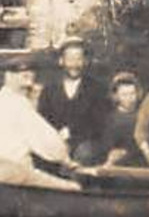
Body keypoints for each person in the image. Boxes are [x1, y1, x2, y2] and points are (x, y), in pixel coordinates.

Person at [0, 54, 80, 190]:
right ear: (8, 77)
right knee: (74, 188)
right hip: (11, 173)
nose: (30, 87)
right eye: (26, 81)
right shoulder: (19, 104)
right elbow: (49, 144)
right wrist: (67, 160)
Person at [36, 36, 111, 166]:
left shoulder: (97, 89)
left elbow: (100, 123)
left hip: (86, 143)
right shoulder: (49, 89)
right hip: (55, 140)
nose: (74, 65)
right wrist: (56, 137)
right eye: (70, 59)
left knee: (84, 154)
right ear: (61, 61)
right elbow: (43, 119)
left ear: (85, 61)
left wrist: (72, 133)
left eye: (79, 59)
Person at [101, 71, 144, 166]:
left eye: (132, 94)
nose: (129, 98)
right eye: (124, 94)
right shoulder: (110, 118)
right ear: (116, 96)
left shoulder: (143, 115)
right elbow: (106, 144)